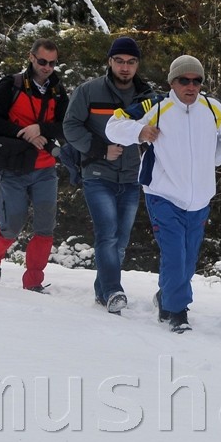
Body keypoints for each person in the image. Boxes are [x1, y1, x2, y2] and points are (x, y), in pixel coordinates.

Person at [106, 55, 221, 332]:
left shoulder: (213, 108)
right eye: (184, 80)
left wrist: (213, 160)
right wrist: (139, 131)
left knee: (188, 258)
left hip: (200, 199)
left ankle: (165, 296)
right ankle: (175, 311)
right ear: (172, 82)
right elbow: (113, 125)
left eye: (197, 81)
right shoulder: (156, 107)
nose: (191, 86)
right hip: (163, 194)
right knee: (174, 255)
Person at [62, 36, 153, 313]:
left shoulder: (146, 97)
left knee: (121, 240)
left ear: (137, 65)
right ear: (110, 62)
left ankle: (103, 291)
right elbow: (70, 126)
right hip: (97, 173)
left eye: (130, 62)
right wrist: (100, 149)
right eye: (119, 61)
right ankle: (114, 289)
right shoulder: (89, 91)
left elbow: (158, 130)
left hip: (130, 176)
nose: (125, 67)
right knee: (107, 235)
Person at [0, 38, 68, 291]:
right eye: (42, 61)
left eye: (52, 63)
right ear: (31, 58)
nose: (47, 67)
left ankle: (33, 283)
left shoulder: (59, 91)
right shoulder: (11, 84)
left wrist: (40, 128)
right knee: (12, 225)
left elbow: (65, 127)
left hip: (45, 168)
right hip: (13, 166)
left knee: (45, 227)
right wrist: (24, 132)